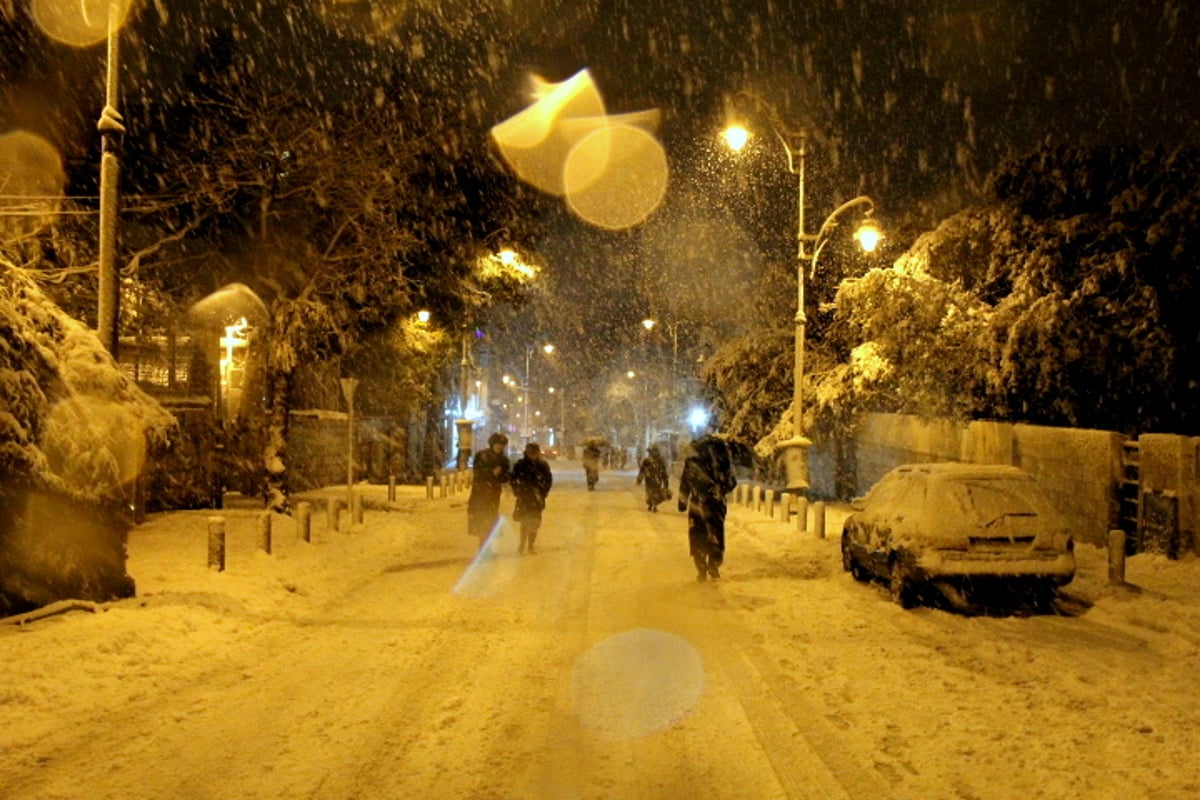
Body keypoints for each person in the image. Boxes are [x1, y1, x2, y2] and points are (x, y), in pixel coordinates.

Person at [677, 435, 738, 582]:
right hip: (716, 505)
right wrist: (720, 489)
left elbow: (685, 483)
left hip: (697, 504)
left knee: (697, 535)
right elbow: (732, 482)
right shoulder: (723, 463)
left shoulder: (692, 462)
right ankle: (714, 564)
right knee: (715, 534)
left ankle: (701, 567)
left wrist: (683, 501)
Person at [467, 432, 511, 550]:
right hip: (481, 492)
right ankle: (484, 546)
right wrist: (491, 473)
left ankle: (487, 546)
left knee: (490, 518)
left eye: (502, 445)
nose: (499, 447)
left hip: (494, 494)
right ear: (492, 444)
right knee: (482, 518)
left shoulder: (504, 460)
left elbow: (506, 476)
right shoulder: (482, 455)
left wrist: (501, 475)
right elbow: (478, 473)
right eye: (497, 444)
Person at [511, 442, 554, 554]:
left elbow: (548, 479)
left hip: (537, 497)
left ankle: (531, 545)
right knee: (524, 521)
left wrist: (544, 492)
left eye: (534, 453)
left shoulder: (542, 465)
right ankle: (522, 544)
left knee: (535, 521)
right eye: (530, 453)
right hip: (524, 497)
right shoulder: (521, 464)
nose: (532, 456)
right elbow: (513, 478)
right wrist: (517, 490)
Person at [636, 444, 671, 512]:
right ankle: (652, 504)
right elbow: (642, 470)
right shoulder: (648, 461)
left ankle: (653, 504)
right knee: (651, 492)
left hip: (654, 479)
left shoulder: (659, 461)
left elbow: (663, 472)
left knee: (654, 492)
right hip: (652, 479)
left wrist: (666, 482)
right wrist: (640, 479)